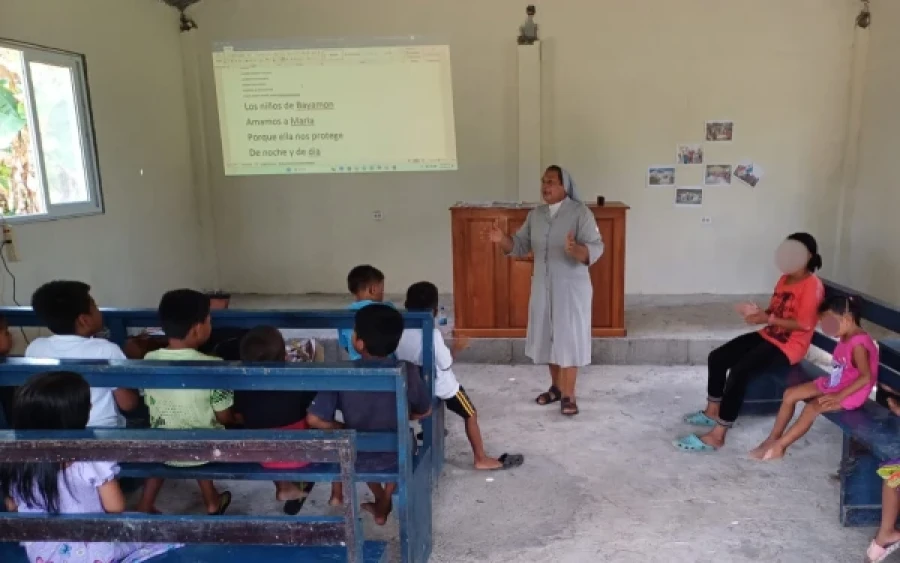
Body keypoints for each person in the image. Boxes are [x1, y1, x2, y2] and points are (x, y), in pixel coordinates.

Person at [0, 371, 181, 562]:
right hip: (93, 552)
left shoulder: (14, 459)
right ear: (75, 417)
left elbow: (13, 505)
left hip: (43, 554)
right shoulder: (91, 458)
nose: (92, 406)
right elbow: (115, 507)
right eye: (87, 404)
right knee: (154, 531)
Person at [675, 233, 824, 452]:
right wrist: (757, 314)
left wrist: (768, 319)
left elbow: (805, 324)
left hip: (789, 346)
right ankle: (712, 411)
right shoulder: (785, 279)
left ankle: (718, 435)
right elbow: (774, 312)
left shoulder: (812, 286)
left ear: (808, 256)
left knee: (739, 371)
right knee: (717, 357)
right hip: (769, 335)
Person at [485, 165, 604, 416]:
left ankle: (570, 395)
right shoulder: (536, 215)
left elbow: (596, 248)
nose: (545, 186)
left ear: (564, 187)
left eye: (551, 181)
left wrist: (576, 249)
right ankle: (557, 388)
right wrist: (501, 239)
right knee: (549, 336)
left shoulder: (580, 213)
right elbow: (518, 246)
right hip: (542, 286)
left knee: (569, 338)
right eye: (543, 181)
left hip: (571, 288)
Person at [306, 304, 431, 525]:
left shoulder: (342, 373)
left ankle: (381, 501)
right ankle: (383, 502)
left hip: (357, 455)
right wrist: (406, 415)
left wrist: (343, 428)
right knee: (396, 441)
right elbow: (425, 410)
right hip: (399, 452)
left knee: (359, 444)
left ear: (359, 343)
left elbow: (314, 419)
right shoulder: (408, 370)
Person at [396, 281, 523, 470]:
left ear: (406, 306)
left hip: (413, 387)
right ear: (435, 310)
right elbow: (445, 364)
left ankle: (426, 432)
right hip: (441, 388)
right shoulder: (432, 334)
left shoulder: (400, 330)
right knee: (470, 414)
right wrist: (457, 349)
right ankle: (481, 458)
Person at [135, 289, 236, 515]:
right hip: (205, 447)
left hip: (163, 445)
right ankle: (212, 502)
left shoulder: (149, 360)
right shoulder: (213, 365)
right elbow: (223, 416)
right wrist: (235, 419)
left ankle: (144, 504)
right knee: (203, 431)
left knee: (170, 438)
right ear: (198, 328)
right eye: (209, 320)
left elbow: (145, 396)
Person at [750, 295, 877, 460]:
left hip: (851, 392)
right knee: (790, 394)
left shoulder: (859, 344)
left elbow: (866, 377)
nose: (827, 328)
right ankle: (772, 439)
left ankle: (780, 447)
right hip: (837, 383)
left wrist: (838, 396)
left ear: (847, 319)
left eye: (831, 323)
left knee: (811, 408)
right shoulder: (846, 334)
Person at [26, 281, 140, 428]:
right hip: (104, 431)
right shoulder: (106, 350)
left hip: (53, 430)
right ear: (84, 320)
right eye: (95, 306)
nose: (99, 311)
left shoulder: (35, 347)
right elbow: (128, 404)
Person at [234, 325, 316, 514]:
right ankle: (295, 484)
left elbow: (238, 415)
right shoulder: (297, 380)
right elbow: (313, 411)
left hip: (262, 456)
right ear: (285, 357)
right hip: (300, 455)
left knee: (265, 430)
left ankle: (284, 485)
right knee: (311, 425)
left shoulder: (241, 385)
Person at [338, 265, 392, 360]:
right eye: (382, 289)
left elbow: (346, 346)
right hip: (387, 364)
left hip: (357, 365)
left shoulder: (343, 314)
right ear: (373, 289)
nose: (383, 293)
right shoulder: (388, 308)